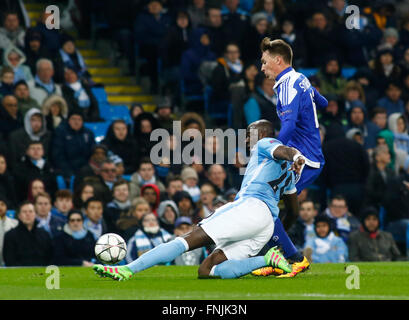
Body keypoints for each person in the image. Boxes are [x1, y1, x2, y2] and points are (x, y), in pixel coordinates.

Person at [93, 119, 304, 280]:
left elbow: (283, 150)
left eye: (250, 134)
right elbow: (293, 212)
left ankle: (127, 270)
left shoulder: (266, 143)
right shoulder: (289, 174)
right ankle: (267, 260)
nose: (247, 139)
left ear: (263, 134)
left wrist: (295, 156)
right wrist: (273, 239)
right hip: (265, 223)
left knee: (187, 239)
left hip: (249, 208)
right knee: (207, 270)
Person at [252, 38, 328, 278]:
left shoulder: (286, 85)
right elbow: (323, 102)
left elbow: (288, 123)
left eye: (264, 62)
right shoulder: (301, 79)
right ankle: (278, 258)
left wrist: (271, 149)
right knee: (267, 207)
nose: (262, 68)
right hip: (306, 154)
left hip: (303, 160)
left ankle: (295, 259)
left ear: (278, 60)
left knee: (264, 207)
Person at [3, 201, 53, 266]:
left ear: (35, 214)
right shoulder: (10, 236)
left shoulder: (44, 234)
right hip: (18, 274)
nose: (28, 214)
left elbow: (50, 257)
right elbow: (9, 260)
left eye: (31, 211)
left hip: (41, 273)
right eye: (24, 212)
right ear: (19, 215)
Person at [51, 111, 95, 179]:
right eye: (73, 119)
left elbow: (92, 151)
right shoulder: (60, 132)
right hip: (65, 167)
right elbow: (57, 155)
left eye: (79, 119)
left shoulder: (88, 133)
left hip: (84, 167)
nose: (76, 122)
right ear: (68, 120)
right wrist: (68, 171)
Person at [0, 196, 18, 266]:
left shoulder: (15, 223)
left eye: (2, 204)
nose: (0, 207)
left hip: (12, 260)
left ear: (6, 207)